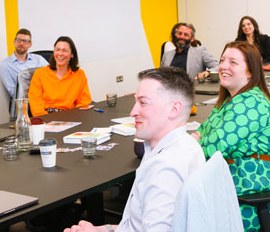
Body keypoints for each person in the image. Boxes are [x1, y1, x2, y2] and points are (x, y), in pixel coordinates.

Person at [65, 67, 205, 232]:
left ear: (174, 109)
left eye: (143, 103)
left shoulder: (166, 169)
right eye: (135, 102)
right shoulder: (185, 146)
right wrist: (102, 230)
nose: (133, 112)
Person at [192, 41, 270, 231]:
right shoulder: (231, 100)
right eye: (222, 60)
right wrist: (201, 138)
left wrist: (200, 140)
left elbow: (214, 147)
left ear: (250, 72)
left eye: (233, 62)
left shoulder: (251, 104)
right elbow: (203, 130)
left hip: (248, 198)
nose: (223, 66)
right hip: (229, 187)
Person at [28, 36, 91, 116]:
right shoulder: (40, 73)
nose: (60, 54)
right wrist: (45, 120)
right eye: (57, 50)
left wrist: (74, 117)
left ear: (72, 54)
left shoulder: (79, 74)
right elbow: (35, 103)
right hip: (46, 117)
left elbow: (84, 102)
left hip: (71, 116)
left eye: (64, 51)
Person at [0, 28, 49, 97]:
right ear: (14, 41)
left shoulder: (39, 59)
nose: (21, 43)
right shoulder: (6, 64)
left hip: (45, 97)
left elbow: (51, 77)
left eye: (25, 41)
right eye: (19, 40)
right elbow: (13, 92)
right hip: (25, 101)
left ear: (30, 44)